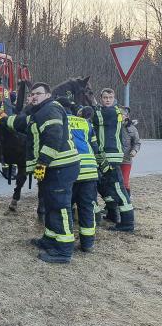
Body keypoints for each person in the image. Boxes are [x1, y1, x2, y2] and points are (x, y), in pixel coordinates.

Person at [3, 83, 80, 264]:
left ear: (48, 95)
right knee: (51, 204)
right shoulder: (38, 113)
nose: (34, 96)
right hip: (54, 167)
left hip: (60, 166)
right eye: (32, 94)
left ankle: (63, 250)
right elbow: (21, 123)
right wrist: (3, 119)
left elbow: (54, 136)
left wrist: (43, 163)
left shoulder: (50, 109)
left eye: (38, 93)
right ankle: (50, 238)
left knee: (60, 206)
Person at [58, 99, 99, 253]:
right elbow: (94, 147)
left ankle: (66, 241)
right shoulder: (85, 123)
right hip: (90, 170)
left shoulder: (59, 121)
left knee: (66, 206)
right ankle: (87, 244)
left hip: (71, 169)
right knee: (87, 207)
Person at [92, 88, 135, 232]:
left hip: (111, 156)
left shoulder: (111, 112)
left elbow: (95, 117)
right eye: (105, 97)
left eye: (110, 97)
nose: (108, 100)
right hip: (105, 155)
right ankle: (112, 214)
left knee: (118, 188)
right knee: (105, 186)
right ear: (101, 98)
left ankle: (128, 223)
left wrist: (86, 107)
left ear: (114, 98)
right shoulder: (114, 112)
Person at [120, 106, 141, 196]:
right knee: (114, 182)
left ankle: (127, 199)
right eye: (120, 114)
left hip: (126, 159)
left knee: (124, 181)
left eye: (124, 115)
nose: (122, 116)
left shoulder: (132, 128)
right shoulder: (112, 126)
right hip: (113, 159)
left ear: (127, 116)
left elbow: (137, 143)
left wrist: (134, 151)